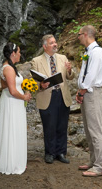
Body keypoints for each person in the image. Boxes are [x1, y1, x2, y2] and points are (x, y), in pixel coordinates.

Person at [30, 34, 75, 164]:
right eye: (51, 43)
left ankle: (61, 152)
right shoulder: (36, 61)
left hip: (62, 95)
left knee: (62, 125)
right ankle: (49, 153)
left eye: (55, 42)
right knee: (49, 126)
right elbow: (32, 81)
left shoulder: (63, 58)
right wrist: (40, 85)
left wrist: (70, 71)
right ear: (45, 46)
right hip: (46, 96)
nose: (55, 44)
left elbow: (70, 76)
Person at [0, 42, 31, 175]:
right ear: (13, 53)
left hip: (13, 101)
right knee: (12, 129)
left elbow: (3, 86)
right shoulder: (8, 68)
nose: (20, 54)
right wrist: (24, 97)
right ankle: (11, 163)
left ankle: (15, 160)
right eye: (18, 52)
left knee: (14, 129)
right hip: (12, 101)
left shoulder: (9, 67)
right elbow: (13, 91)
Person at [76, 25, 102, 177]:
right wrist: (80, 90)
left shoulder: (97, 52)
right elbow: (84, 74)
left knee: (95, 129)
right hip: (86, 92)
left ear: (86, 34)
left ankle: (100, 166)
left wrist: (82, 90)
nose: (78, 37)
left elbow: (92, 75)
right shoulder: (88, 52)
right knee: (89, 129)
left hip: (93, 93)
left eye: (79, 34)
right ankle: (93, 160)